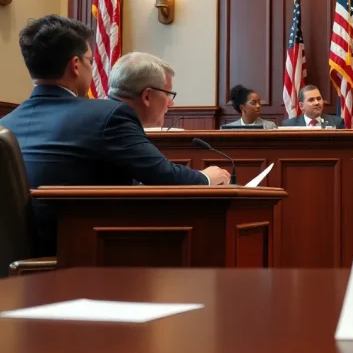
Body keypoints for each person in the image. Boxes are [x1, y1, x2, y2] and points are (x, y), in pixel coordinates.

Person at [0, 16, 230, 255]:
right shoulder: (107, 115)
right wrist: (207, 178)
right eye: (91, 60)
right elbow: (163, 176)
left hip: (12, 264)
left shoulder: (5, 124)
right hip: (79, 256)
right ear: (76, 65)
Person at [281, 85, 345, 128]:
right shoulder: (289, 125)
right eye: (311, 100)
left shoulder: (336, 122)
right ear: (301, 106)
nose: (317, 103)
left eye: (319, 99)